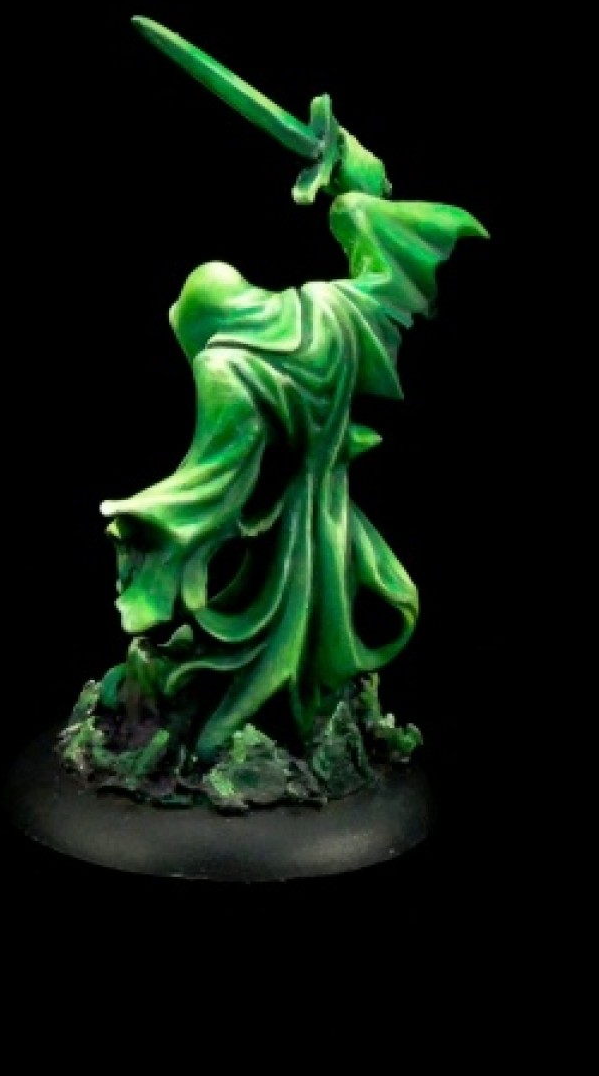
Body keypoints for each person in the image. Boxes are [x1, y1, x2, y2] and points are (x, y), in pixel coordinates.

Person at [99, 137, 488, 761]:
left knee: (286, 608)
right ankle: (278, 702)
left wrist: (147, 523)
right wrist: (353, 192)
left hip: (310, 492)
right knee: (293, 599)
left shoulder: (232, 365)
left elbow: (208, 480)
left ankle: (258, 709)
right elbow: (386, 269)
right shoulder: (320, 316)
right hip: (308, 492)